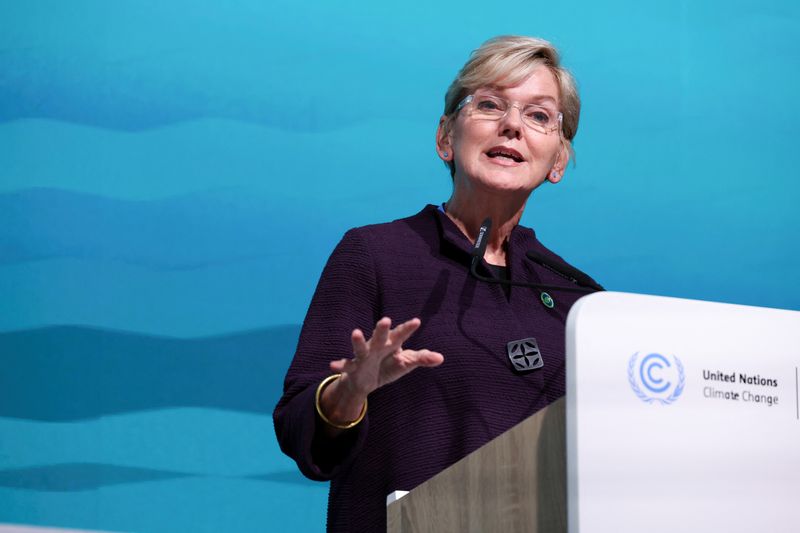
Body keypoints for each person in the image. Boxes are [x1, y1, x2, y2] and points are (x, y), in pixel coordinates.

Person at [273, 35, 601, 532]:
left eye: (538, 116)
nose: (512, 125)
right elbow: (301, 431)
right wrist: (350, 392)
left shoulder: (577, 296)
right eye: (490, 105)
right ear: (446, 137)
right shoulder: (376, 254)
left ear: (558, 160)